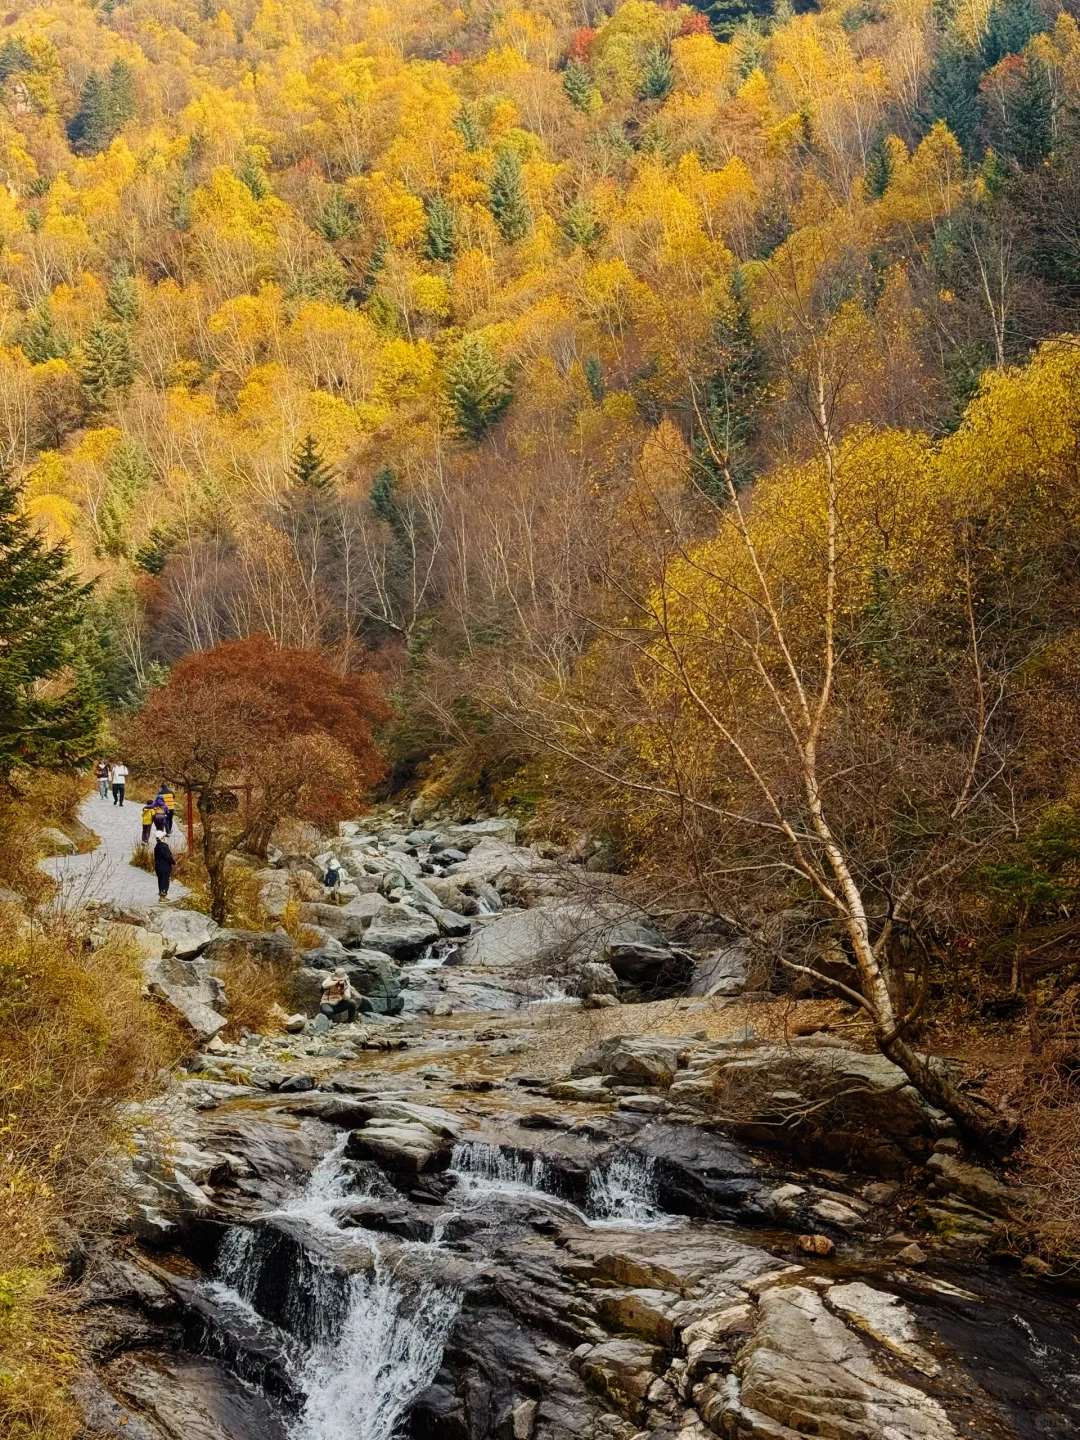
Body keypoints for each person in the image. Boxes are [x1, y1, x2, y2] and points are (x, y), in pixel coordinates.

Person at [153, 836, 175, 901]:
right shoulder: (164, 847)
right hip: (165, 867)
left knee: (160, 880)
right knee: (165, 881)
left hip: (158, 867)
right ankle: (163, 895)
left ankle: (161, 896)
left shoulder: (156, 847)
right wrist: (173, 862)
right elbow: (168, 857)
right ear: (162, 838)